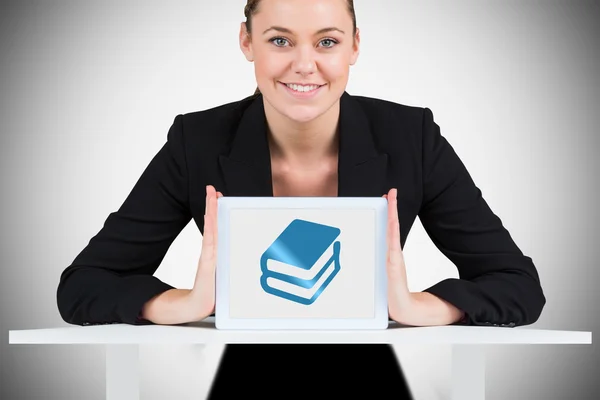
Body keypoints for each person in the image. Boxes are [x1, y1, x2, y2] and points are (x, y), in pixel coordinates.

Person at [56, 0, 546, 397]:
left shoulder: (410, 137)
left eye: (327, 42)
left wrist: (420, 307)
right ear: (247, 42)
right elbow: (82, 286)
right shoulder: (198, 141)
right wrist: (186, 304)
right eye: (280, 40)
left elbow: (518, 285)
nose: (304, 65)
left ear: (355, 46)